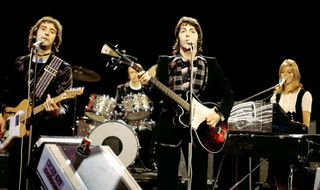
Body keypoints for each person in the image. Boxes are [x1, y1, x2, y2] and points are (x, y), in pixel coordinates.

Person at [139, 16, 235, 190]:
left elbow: (228, 95)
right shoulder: (165, 62)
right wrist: (147, 85)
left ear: (198, 37)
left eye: (192, 31)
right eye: (183, 31)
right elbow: (156, 96)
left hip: (201, 130)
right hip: (170, 126)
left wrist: (218, 113)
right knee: (166, 180)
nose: (187, 35)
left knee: (198, 180)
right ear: (178, 37)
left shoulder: (210, 64)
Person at [0, 16, 73, 190]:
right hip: (15, 132)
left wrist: (56, 111)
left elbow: (66, 107)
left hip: (43, 135)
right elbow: (4, 93)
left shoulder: (62, 68)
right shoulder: (20, 62)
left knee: (36, 182)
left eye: (52, 31)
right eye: (43, 28)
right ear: (35, 34)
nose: (47, 33)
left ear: (56, 39)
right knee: (13, 179)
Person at [267, 58, 313, 190]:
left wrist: (290, 123)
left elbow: (306, 125)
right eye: (283, 72)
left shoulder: (304, 95)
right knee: (279, 185)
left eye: (289, 72)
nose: (286, 75)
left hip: (296, 149)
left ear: (295, 74)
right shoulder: (275, 97)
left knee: (296, 185)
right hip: (278, 148)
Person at [114, 65, 156, 170]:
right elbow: (117, 105)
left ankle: (149, 161)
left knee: (152, 128)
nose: (135, 74)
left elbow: (152, 105)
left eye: (137, 72)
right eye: (132, 72)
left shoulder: (146, 88)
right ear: (128, 75)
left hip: (144, 119)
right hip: (127, 120)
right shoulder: (122, 88)